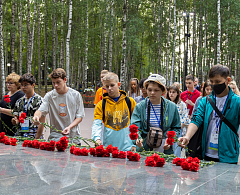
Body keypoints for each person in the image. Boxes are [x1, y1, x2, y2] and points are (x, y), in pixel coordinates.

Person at [179, 64, 240, 163]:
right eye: (211, 82)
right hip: (205, 153)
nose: (214, 85)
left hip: (228, 154)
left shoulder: (237, 102)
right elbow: (196, 119)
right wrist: (187, 136)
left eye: (218, 82)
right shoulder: (205, 101)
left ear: (228, 80)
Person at [130, 74, 181, 153]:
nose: (152, 93)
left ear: (163, 91)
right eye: (149, 90)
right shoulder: (140, 107)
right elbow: (134, 127)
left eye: (156, 90)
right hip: (144, 148)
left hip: (165, 149)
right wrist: (137, 139)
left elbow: (176, 128)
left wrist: (170, 140)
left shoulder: (172, 107)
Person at [33, 68, 85, 143]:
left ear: (65, 80)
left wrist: (69, 127)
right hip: (55, 138)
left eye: (58, 82)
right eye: (53, 83)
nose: (55, 85)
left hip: (73, 138)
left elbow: (79, 117)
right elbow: (41, 110)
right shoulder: (50, 96)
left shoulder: (75, 95)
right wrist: (36, 116)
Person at [91, 72, 136, 151]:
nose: (109, 88)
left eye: (112, 85)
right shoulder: (101, 105)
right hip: (109, 147)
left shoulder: (130, 102)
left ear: (118, 84)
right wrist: (97, 138)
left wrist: (135, 142)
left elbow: (136, 123)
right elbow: (96, 123)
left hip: (127, 147)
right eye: (107, 86)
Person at [11, 73, 45, 139]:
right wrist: (14, 121)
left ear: (33, 85)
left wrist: (37, 139)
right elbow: (16, 119)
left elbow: (42, 122)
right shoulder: (19, 101)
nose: (23, 87)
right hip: (20, 134)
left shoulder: (40, 100)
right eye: (22, 85)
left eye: (26, 85)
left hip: (34, 133)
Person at [167, 85, 190, 157]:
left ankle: (176, 160)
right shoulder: (166, 103)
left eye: (173, 92)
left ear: (177, 93)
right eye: (170, 92)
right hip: (167, 129)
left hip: (178, 129)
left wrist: (179, 126)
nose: (171, 94)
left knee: (176, 148)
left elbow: (185, 117)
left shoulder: (182, 104)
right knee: (167, 147)